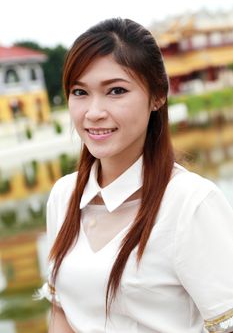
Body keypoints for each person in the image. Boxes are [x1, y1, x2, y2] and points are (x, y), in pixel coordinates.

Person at [39, 18, 233, 333]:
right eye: (80, 92)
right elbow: (61, 311)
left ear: (157, 96)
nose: (93, 112)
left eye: (116, 91)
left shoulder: (190, 204)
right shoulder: (63, 196)